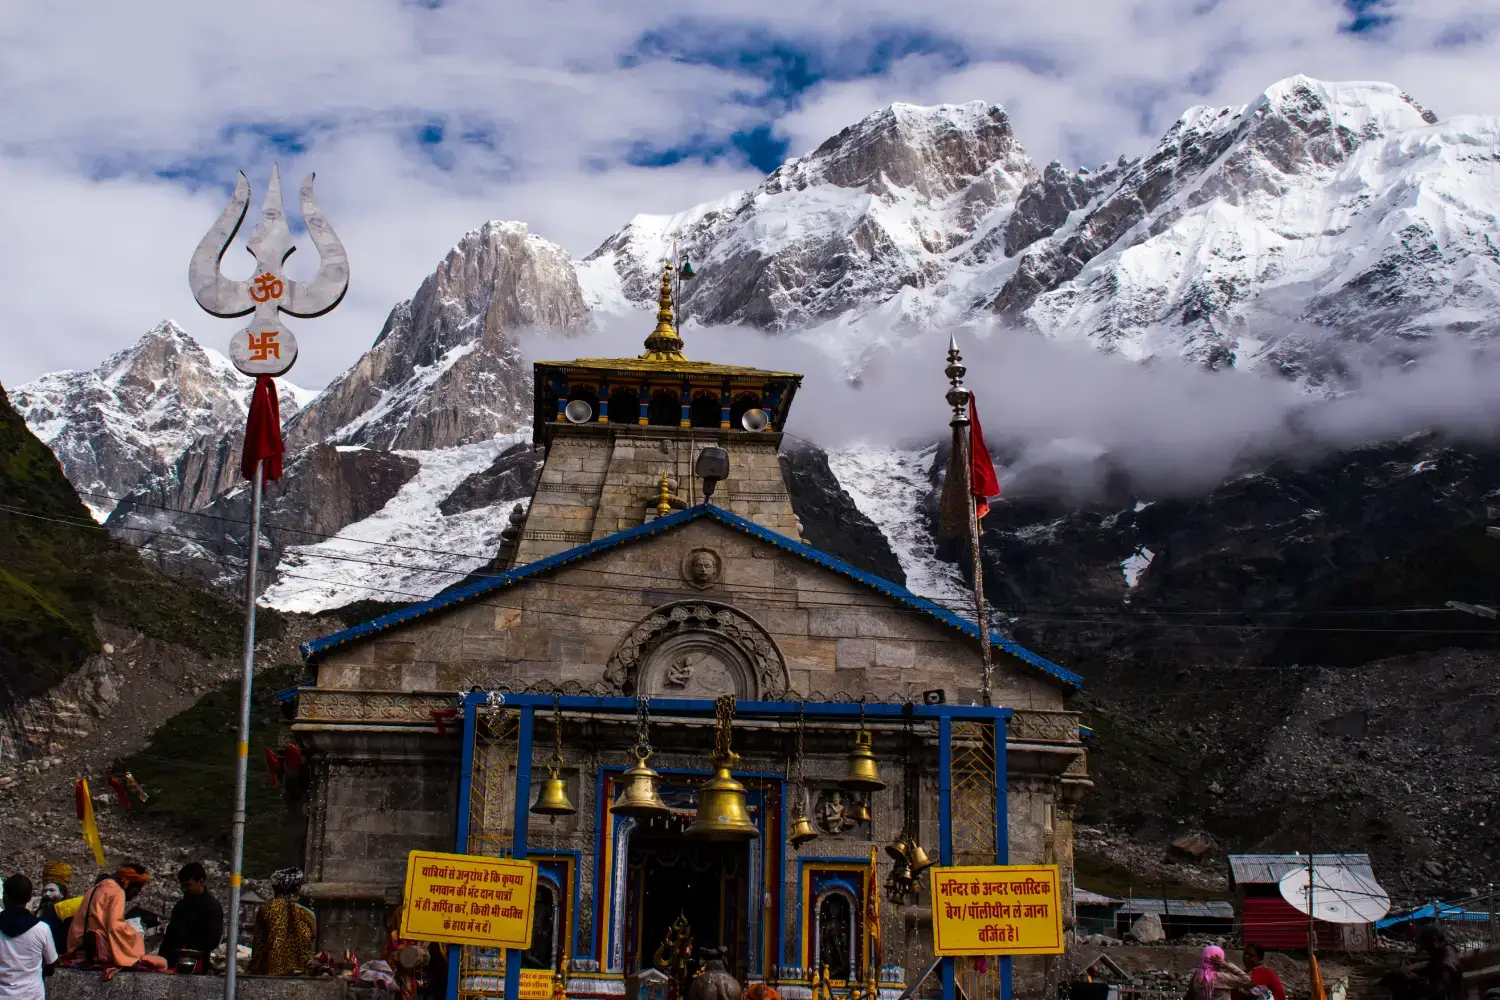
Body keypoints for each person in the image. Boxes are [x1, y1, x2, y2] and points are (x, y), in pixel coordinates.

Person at [65, 863, 168, 972]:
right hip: (98, 950)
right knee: (161, 962)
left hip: (79, 949)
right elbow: (115, 926)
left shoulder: (92, 890)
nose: (135, 896)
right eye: (136, 891)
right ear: (128, 883)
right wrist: (136, 938)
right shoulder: (117, 892)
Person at [248, 869, 316, 977]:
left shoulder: (266, 909)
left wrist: (254, 969)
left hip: (270, 973)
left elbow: (258, 946)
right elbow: (311, 944)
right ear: (297, 889)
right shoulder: (309, 914)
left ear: (275, 888)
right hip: (300, 974)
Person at [0, 875, 57, 1000]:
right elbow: (51, 966)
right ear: (30, 898)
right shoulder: (42, 929)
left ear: (5, 897)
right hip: (32, 995)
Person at [159, 863, 223, 974]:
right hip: (171, 964)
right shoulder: (181, 906)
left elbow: (212, 940)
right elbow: (170, 937)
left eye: (188, 885)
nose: (185, 890)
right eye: (183, 886)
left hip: (197, 965)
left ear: (201, 882)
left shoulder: (212, 907)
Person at [33, 863, 79, 955]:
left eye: (52, 890)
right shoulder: (39, 911)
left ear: (62, 894)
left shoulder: (68, 912)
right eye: (45, 891)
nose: (47, 894)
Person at [1185, 945, 1252, 1000]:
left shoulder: (1196, 976)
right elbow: (1247, 979)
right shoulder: (1220, 977)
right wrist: (1227, 965)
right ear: (1219, 961)